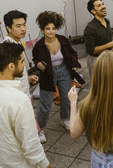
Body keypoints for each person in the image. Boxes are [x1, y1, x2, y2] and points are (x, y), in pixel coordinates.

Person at [0, 42, 50, 168]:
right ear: (10, 66)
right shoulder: (19, 99)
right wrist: (46, 165)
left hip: (0, 160)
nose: (25, 64)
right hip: (20, 164)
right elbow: (31, 146)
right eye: (21, 61)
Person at [33, 11, 81, 143]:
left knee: (66, 97)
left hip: (64, 71)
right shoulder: (39, 45)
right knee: (45, 103)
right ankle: (40, 129)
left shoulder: (63, 40)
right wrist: (38, 64)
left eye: (53, 28)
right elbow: (35, 59)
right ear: (42, 30)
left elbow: (72, 54)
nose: (51, 31)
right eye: (48, 29)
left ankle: (65, 119)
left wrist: (74, 64)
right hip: (48, 74)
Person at [3, 10, 39, 97]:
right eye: (18, 26)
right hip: (18, 97)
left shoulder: (16, 42)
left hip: (24, 93)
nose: (23, 29)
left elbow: (16, 73)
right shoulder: (8, 48)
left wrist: (27, 79)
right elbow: (7, 78)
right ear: (9, 28)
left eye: (24, 25)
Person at [84, 0, 113, 78]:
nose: (103, 6)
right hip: (96, 61)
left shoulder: (107, 21)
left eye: (103, 4)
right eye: (99, 5)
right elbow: (91, 50)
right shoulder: (90, 28)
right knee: (98, 87)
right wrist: (110, 45)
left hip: (108, 58)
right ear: (93, 11)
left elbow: (105, 40)